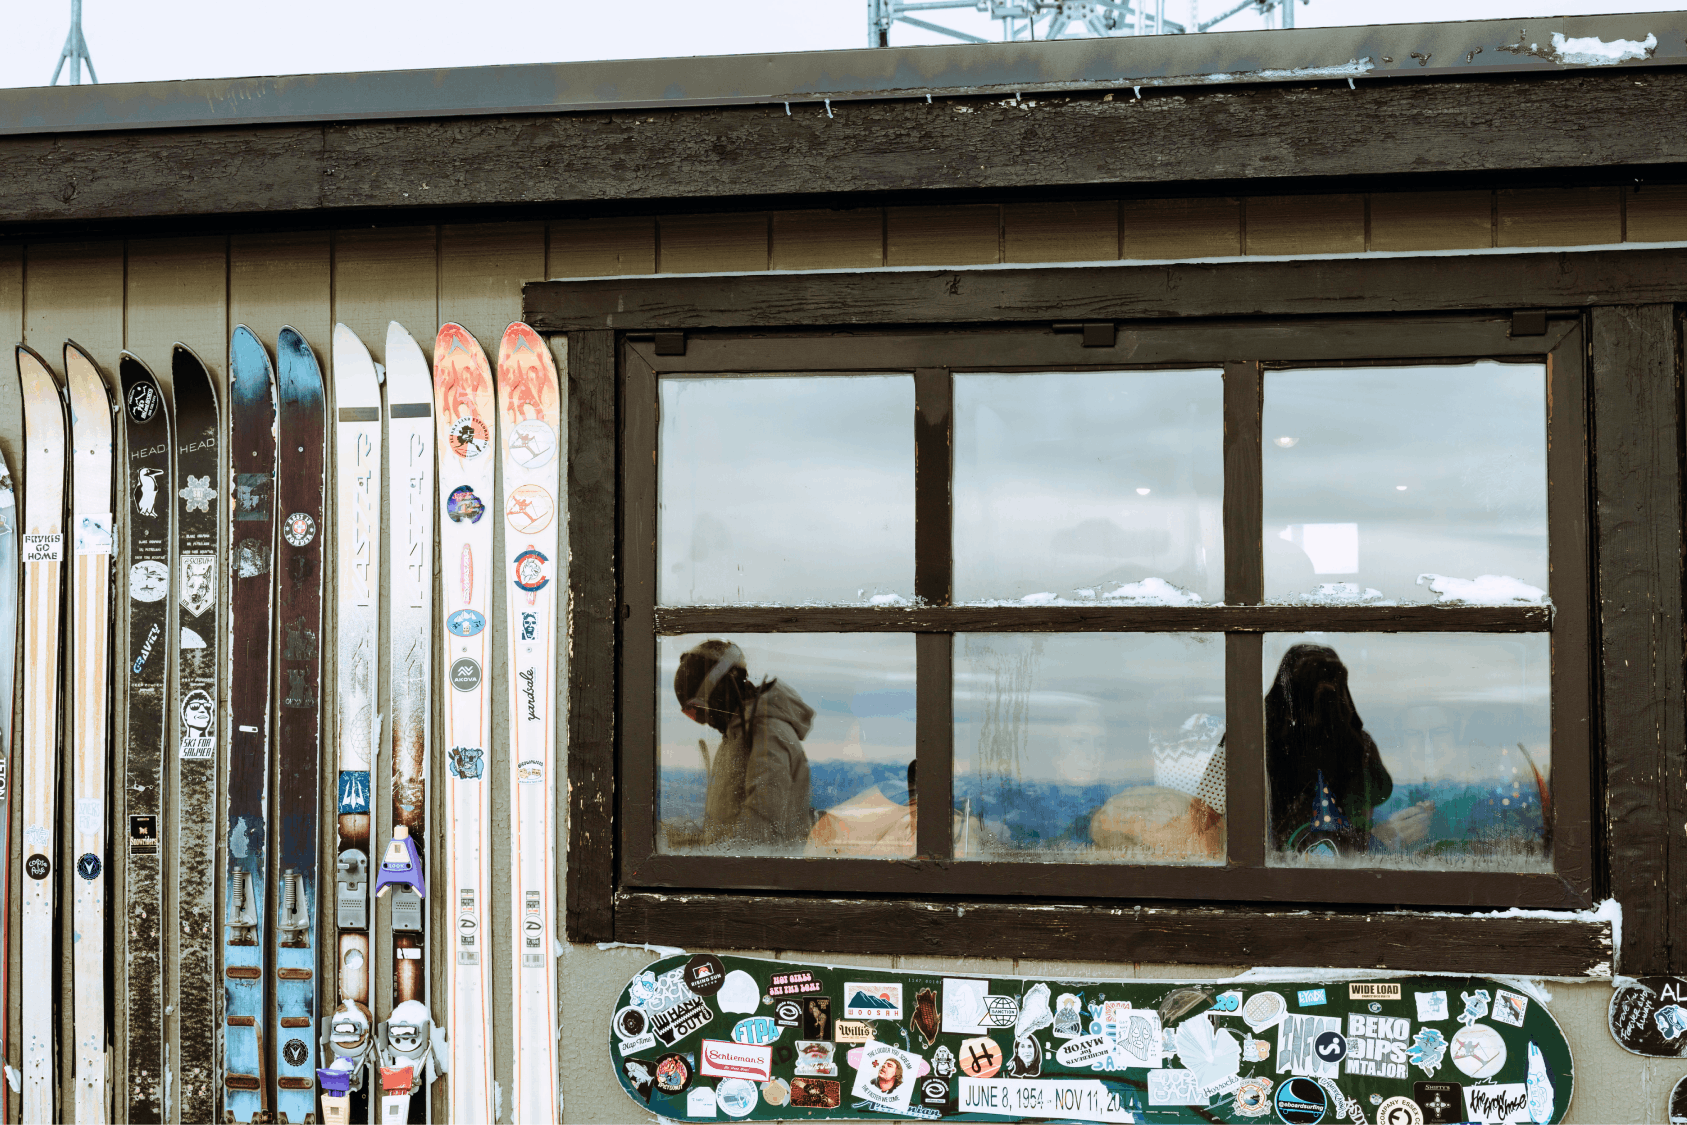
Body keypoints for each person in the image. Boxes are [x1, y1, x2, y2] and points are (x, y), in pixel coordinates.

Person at [1265, 643, 1432, 854]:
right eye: (1311, 682)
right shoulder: (1250, 741)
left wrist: (1384, 835)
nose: (1323, 701)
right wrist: (1380, 841)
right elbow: (1212, 816)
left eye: (1332, 685)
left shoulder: (1357, 745)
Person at [675, 640, 813, 849]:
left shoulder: (769, 733)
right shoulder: (739, 734)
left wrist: (712, 858)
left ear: (720, 692)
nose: (705, 721)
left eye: (699, 711)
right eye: (693, 715)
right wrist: (697, 844)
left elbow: (760, 830)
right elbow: (730, 818)